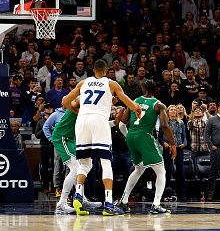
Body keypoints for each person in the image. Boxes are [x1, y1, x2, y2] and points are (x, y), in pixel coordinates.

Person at [61, 59, 142, 216]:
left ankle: (78, 194)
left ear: (93, 69)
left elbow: (65, 101)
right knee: (106, 163)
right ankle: (109, 204)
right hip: (99, 121)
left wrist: (78, 112)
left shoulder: (83, 82)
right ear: (106, 70)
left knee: (84, 164)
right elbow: (127, 101)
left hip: (82, 121)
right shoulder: (111, 84)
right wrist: (137, 108)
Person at [116, 79, 177, 214]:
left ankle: (123, 201)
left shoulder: (134, 100)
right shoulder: (158, 105)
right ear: (156, 90)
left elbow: (123, 122)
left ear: (143, 89)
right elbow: (165, 125)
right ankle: (156, 205)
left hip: (131, 136)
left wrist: (128, 136)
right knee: (161, 171)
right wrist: (173, 143)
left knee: (139, 169)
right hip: (144, 136)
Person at [51, 98, 102, 214]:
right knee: (76, 169)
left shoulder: (93, 107)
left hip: (71, 139)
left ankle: (81, 198)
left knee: (82, 168)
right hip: (62, 137)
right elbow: (67, 102)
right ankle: (62, 203)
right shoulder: (80, 99)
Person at [160, 105, 188, 201]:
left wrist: (184, 143)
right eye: (171, 109)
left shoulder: (181, 123)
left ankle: (182, 195)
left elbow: (185, 137)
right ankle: (165, 193)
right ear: (167, 112)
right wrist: (163, 143)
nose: (173, 111)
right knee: (168, 171)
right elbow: (159, 137)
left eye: (175, 110)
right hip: (168, 149)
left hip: (179, 149)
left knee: (180, 171)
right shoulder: (164, 123)